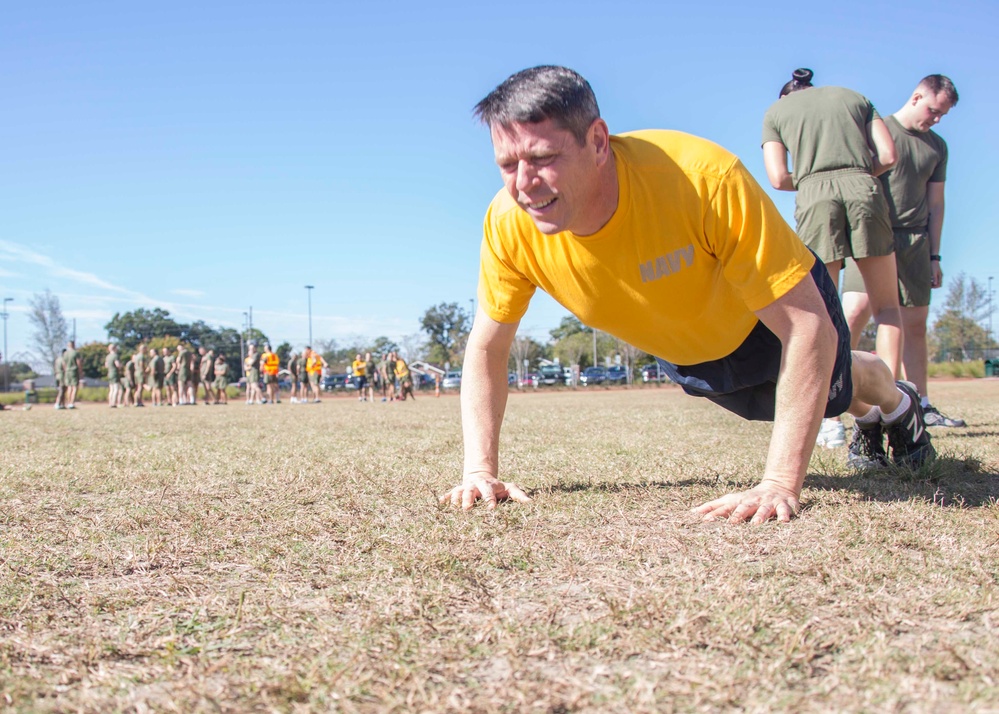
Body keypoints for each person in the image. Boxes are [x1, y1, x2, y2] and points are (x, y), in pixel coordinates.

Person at [440, 66, 935, 522]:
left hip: (775, 321)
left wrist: (780, 482)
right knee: (811, 401)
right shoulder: (507, 225)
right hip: (693, 356)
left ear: (597, 141)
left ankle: (898, 407)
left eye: (543, 158)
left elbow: (807, 326)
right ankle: (867, 407)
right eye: (507, 164)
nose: (524, 185)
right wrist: (479, 470)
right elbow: (487, 347)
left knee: (836, 389)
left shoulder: (701, 179)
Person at [761, 68, 902, 450]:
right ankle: (899, 407)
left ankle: (834, 418)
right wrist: (855, 173)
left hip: (814, 196)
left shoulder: (777, 112)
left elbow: (777, 178)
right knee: (888, 307)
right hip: (865, 189)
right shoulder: (854, 96)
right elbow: (888, 154)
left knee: (823, 315)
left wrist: (811, 176)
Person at [840, 75, 964, 429]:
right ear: (916, 96)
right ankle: (835, 399)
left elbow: (936, 204)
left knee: (914, 325)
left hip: (916, 244)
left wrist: (935, 255)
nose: (936, 119)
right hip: (872, 238)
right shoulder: (880, 131)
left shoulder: (937, 147)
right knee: (853, 315)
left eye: (942, 115)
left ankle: (919, 403)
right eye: (932, 110)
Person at [62, 340, 82, 409]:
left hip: (67, 371)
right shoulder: (75, 353)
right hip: (74, 371)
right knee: (74, 387)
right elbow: (78, 362)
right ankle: (72, 403)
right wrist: (80, 371)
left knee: (69, 387)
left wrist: (65, 370)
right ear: (73, 345)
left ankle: (68, 402)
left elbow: (63, 364)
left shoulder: (65, 354)